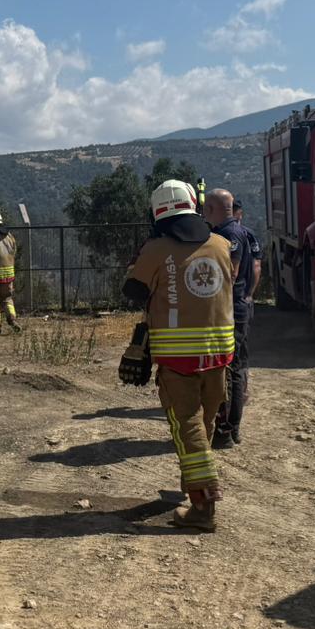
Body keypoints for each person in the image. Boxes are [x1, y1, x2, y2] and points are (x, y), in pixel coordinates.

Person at [122, 180, 236, 531]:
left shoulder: (156, 249)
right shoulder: (222, 244)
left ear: (157, 213)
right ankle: (193, 489)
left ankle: (203, 507)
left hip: (177, 358)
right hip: (218, 355)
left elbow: (133, 291)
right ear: (193, 205)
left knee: (186, 426)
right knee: (204, 423)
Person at [202, 190, 260, 448]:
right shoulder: (236, 231)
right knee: (234, 366)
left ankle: (228, 428)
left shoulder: (228, 235)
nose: (203, 213)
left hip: (230, 309)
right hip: (237, 305)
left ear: (213, 208)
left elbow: (230, 273)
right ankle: (230, 427)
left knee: (233, 368)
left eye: (205, 208)